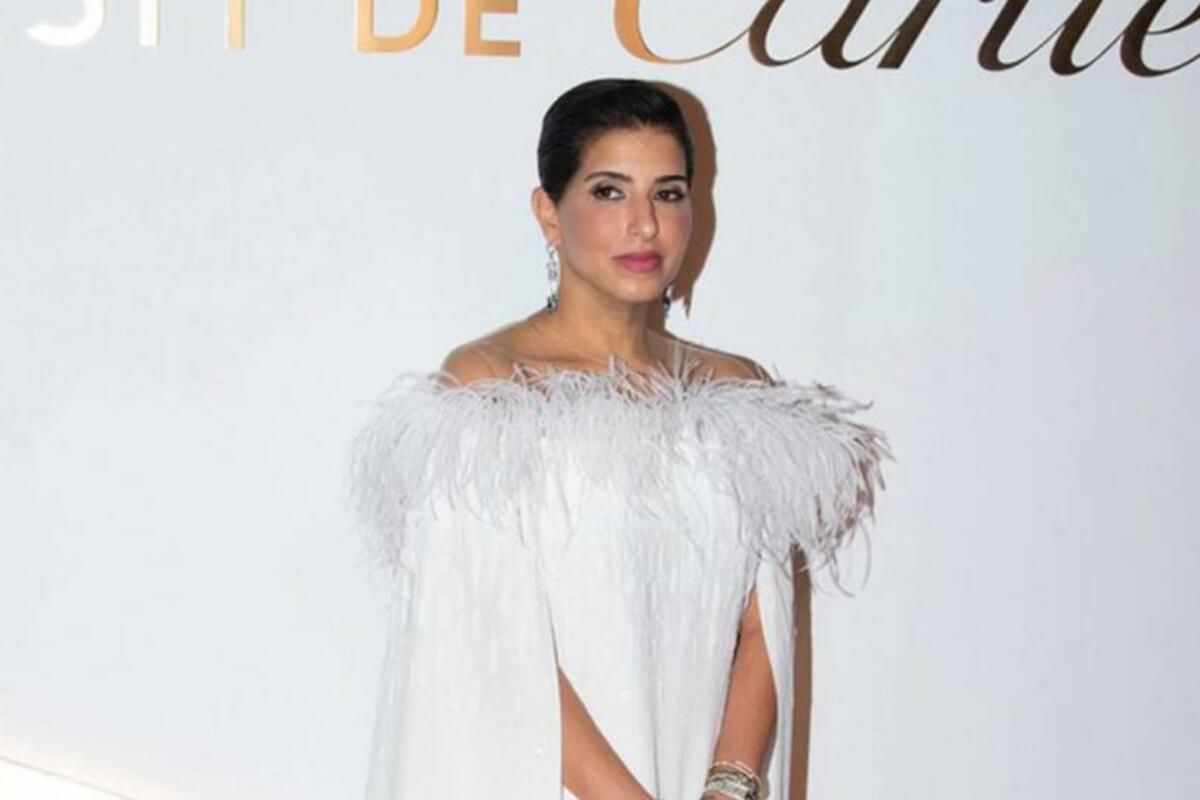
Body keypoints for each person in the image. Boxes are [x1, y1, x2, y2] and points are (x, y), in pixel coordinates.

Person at [345, 78, 892, 800]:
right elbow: (490, 637)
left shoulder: (738, 394)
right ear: (549, 212)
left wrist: (727, 788)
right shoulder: (489, 385)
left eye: (668, 193)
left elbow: (764, 627)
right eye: (609, 192)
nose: (644, 225)